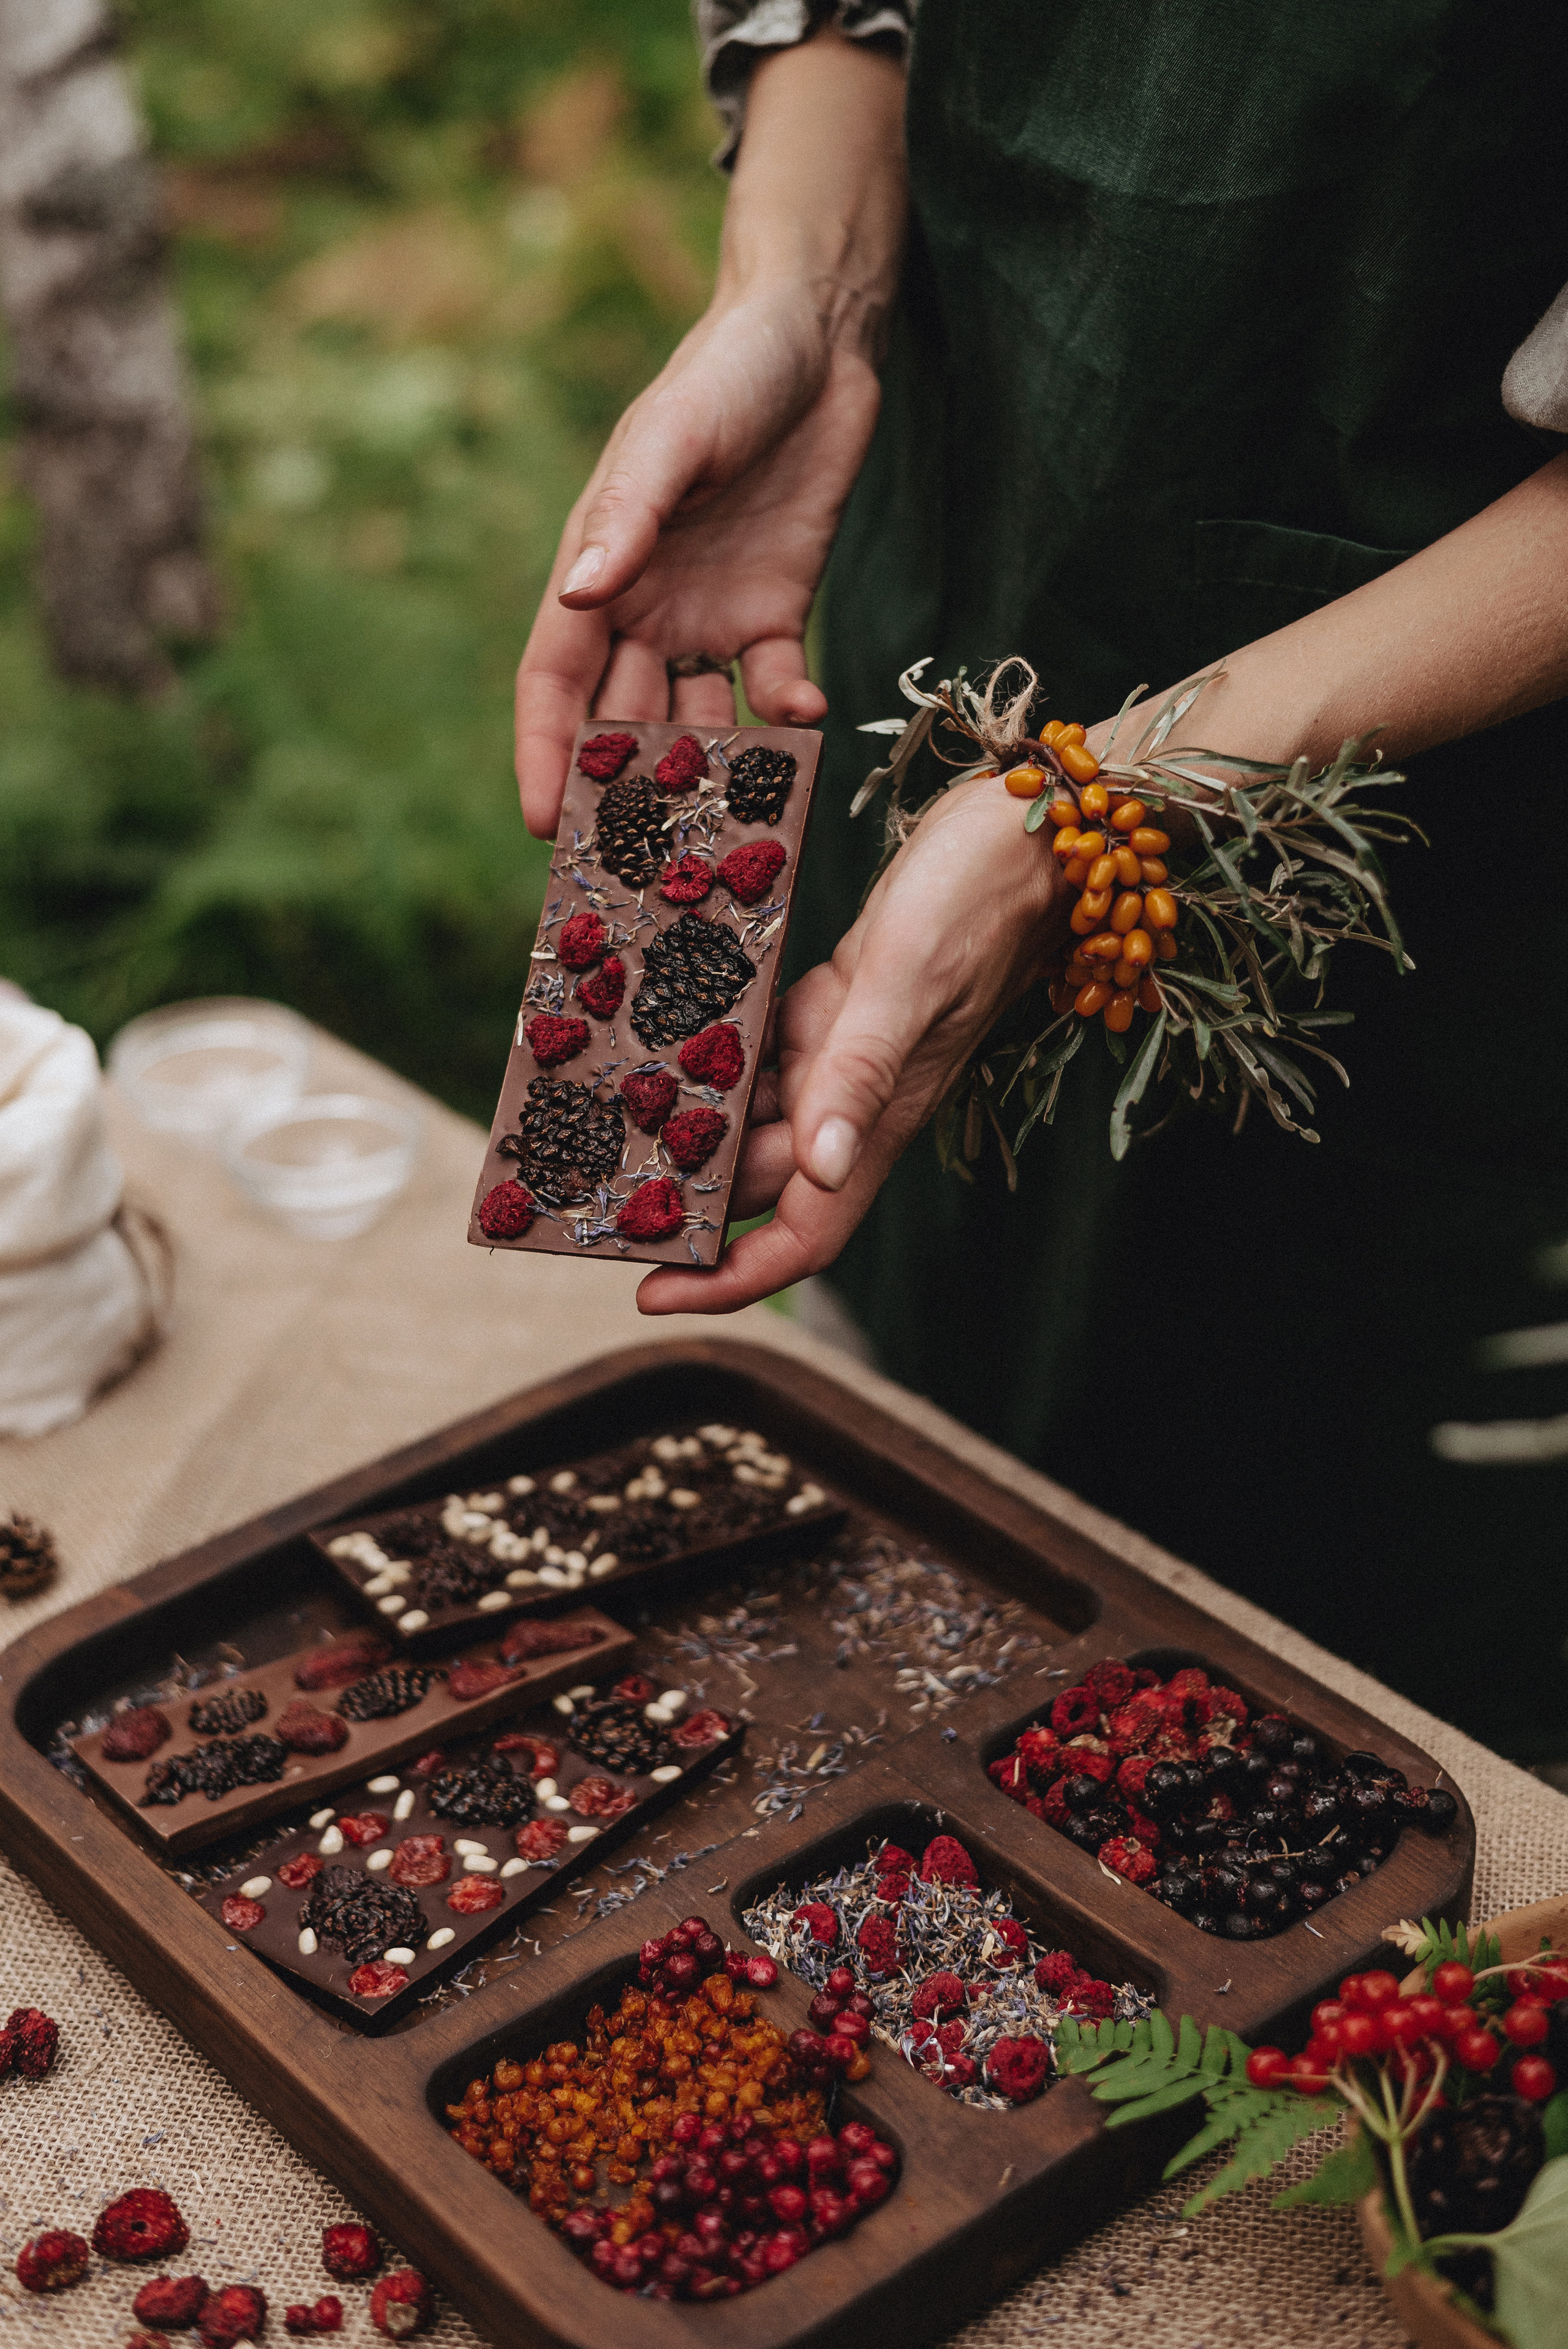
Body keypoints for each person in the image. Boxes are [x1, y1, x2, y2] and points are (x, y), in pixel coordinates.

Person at [514, 4, 1568, 1758]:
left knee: (1370, 1697)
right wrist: (805, 300)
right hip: (970, 608)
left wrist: (1085, 804)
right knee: (939, 1497)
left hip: (1466, 914)